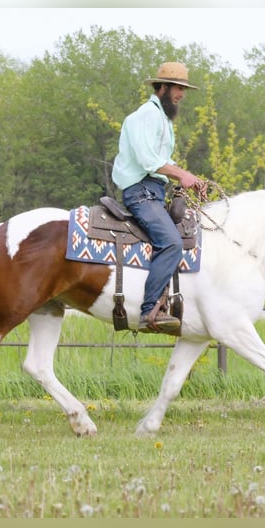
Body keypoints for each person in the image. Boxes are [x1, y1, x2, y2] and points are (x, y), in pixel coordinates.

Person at [112, 62, 207, 332]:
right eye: (178, 88)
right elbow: (148, 160)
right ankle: (149, 311)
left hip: (152, 189)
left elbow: (162, 160)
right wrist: (182, 176)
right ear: (162, 87)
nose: (182, 94)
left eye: (184, 89)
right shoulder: (146, 115)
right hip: (141, 192)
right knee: (171, 243)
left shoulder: (162, 119)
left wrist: (188, 177)